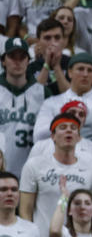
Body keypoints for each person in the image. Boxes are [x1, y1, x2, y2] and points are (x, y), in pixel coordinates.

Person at [20, 113, 92, 237]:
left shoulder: (91, 170)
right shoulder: (34, 165)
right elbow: (25, 210)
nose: (69, 131)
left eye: (73, 128)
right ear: (52, 136)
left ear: (79, 138)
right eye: (62, 127)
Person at [35, 53, 92, 176]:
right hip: (56, 170)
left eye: (90, 70)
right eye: (80, 69)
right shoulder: (52, 103)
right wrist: (64, 120)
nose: (85, 74)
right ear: (70, 72)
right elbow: (38, 136)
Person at [0, 37, 56, 177]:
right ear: (3, 61)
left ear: (28, 60)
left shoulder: (43, 93)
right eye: (12, 57)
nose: (17, 62)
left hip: (33, 171)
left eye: (22, 57)